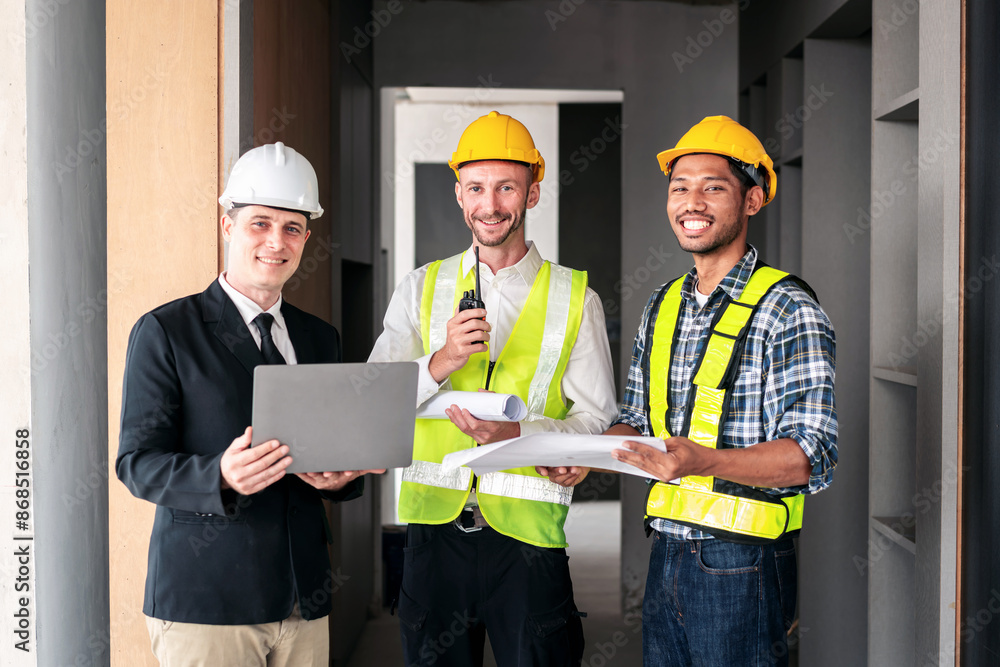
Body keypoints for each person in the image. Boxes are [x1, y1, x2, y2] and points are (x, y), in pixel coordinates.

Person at [369, 110, 617, 666]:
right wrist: (441, 361)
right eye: (477, 187)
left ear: (531, 193)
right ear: (459, 195)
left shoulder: (577, 299)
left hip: (529, 542)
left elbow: (595, 419)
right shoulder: (419, 290)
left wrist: (520, 433)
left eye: (507, 186)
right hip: (433, 534)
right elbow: (372, 404)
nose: (491, 203)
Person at [117, 142, 379, 667]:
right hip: (207, 600)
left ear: (306, 237)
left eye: (292, 228)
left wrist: (342, 478)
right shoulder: (167, 331)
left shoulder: (318, 337)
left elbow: (327, 445)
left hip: (304, 598)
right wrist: (220, 474)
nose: (275, 242)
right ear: (228, 226)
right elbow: (136, 464)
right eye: (260, 223)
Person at [606, 116, 838, 666]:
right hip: (664, 553)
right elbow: (635, 419)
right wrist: (587, 457)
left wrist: (701, 461)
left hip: (745, 563)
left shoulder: (788, 309)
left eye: (714, 187)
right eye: (680, 186)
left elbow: (810, 457)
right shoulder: (661, 305)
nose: (693, 201)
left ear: (752, 201)